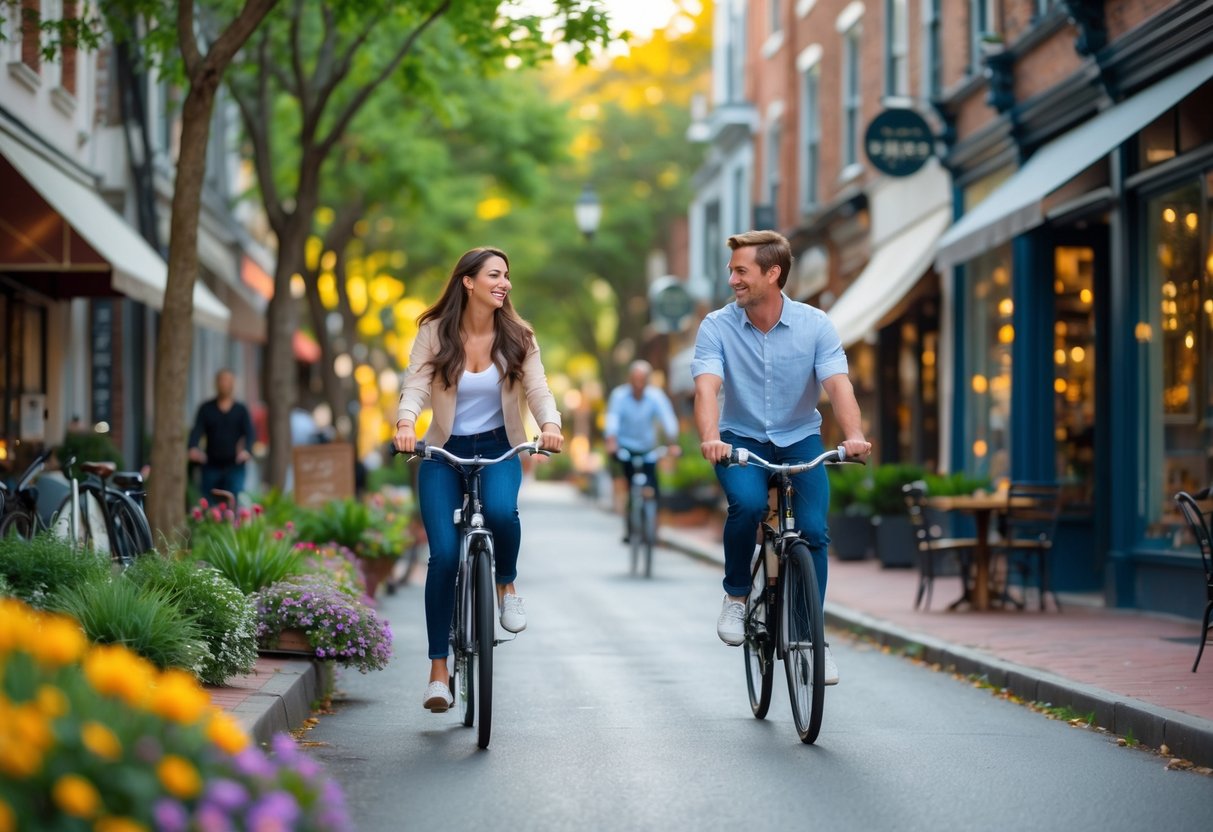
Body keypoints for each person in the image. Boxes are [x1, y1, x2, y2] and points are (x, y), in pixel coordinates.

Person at [691, 229, 872, 686]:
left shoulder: (815, 325)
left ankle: (813, 638)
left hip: (799, 439)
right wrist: (712, 438)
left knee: (813, 531)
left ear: (773, 274)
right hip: (740, 440)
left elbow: (838, 385)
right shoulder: (716, 326)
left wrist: (853, 436)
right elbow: (707, 388)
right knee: (749, 506)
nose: (732, 279)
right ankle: (736, 596)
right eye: (731, 270)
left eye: (741, 270)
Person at [393, 246, 563, 713]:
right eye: (494, 275)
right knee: (444, 556)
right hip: (443, 452)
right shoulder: (434, 332)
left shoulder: (519, 335)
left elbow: (537, 388)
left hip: (499, 446)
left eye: (507, 275)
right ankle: (438, 672)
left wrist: (550, 424)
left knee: (505, 515)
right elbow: (416, 383)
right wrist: (406, 422)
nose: (504, 282)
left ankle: (505, 584)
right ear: (468, 282)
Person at [604, 360, 680, 540]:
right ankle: (631, 527)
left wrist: (673, 442)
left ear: (647, 380)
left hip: (648, 449)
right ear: (629, 379)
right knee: (632, 486)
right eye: (635, 379)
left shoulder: (656, 396)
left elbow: (668, 420)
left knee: (653, 486)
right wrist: (611, 441)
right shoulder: (619, 396)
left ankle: (653, 526)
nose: (638, 384)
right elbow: (612, 419)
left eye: (642, 380)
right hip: (626, 448)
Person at [187, 369, 256, 498]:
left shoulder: (241, 410)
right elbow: (197, 431)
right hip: (211, 465)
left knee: (233, 502)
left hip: (235, 466)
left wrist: (247, 450)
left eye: (228, 381)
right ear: (216, 383)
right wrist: (193, 448)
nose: (225, 384)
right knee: (209, 505)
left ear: (233, 384)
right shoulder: (206, 408)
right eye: (222, 380)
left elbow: (250, 433)